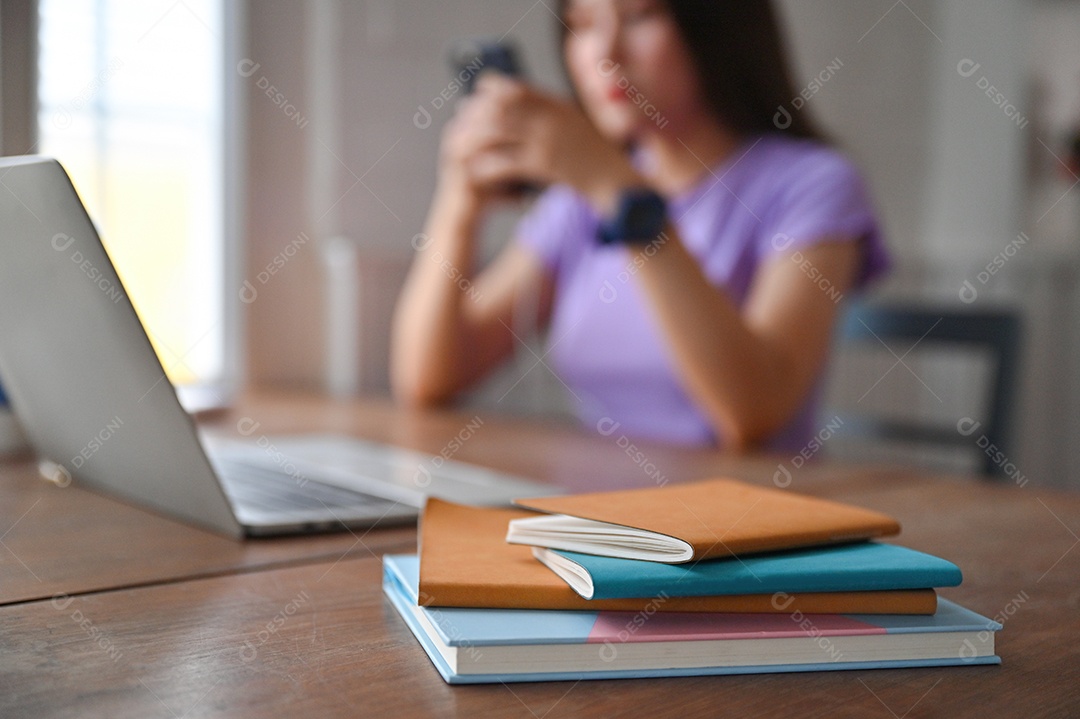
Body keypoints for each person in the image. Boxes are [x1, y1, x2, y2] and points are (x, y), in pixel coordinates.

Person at [391, 0, 889, 452]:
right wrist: (459, 203)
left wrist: (618, 190)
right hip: (602, 521)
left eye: (638, 17)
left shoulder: (814, 184)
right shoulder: (579, 200)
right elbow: (428, 378)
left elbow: (751, 413)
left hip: (743, 528)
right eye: (582, 25)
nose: (603, 53)